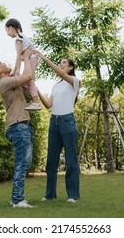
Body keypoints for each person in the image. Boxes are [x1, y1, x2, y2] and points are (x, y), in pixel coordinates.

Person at [0, 47, 34, 208]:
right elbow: (27, 76)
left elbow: (17, 70)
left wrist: (20, 55)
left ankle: (17, 198)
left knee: (25, 162)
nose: (5, 63)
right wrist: (26, 57)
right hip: (18, 125)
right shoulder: (5, 82)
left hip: (21, 125)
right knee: (22, 163)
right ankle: (17, 200)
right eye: (1, 63)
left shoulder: (8, 79)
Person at [31, 49, 80, 203]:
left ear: (71, 67)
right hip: (54, 122)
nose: (61, 65)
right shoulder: (55, 86)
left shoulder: (75, 82)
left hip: (68, 122)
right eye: (61, 63)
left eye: (64, 63)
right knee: (51, 161)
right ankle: (50, 194)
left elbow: (60, 74)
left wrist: (43, 57)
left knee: (71, 161)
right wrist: (35, 87)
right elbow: (48, 105)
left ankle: (73, 195)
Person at [5, 18, 41, 111]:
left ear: (11, 28)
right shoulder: (20, 37)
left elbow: (18, 56)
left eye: (7, 30)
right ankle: (34, 99)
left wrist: (16, 70)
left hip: (32, 58)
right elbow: (20, 56)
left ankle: (36, 103)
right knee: (25, 82)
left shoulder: (19, 38)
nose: (7, 34)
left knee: (29, 80)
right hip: (30, 59)